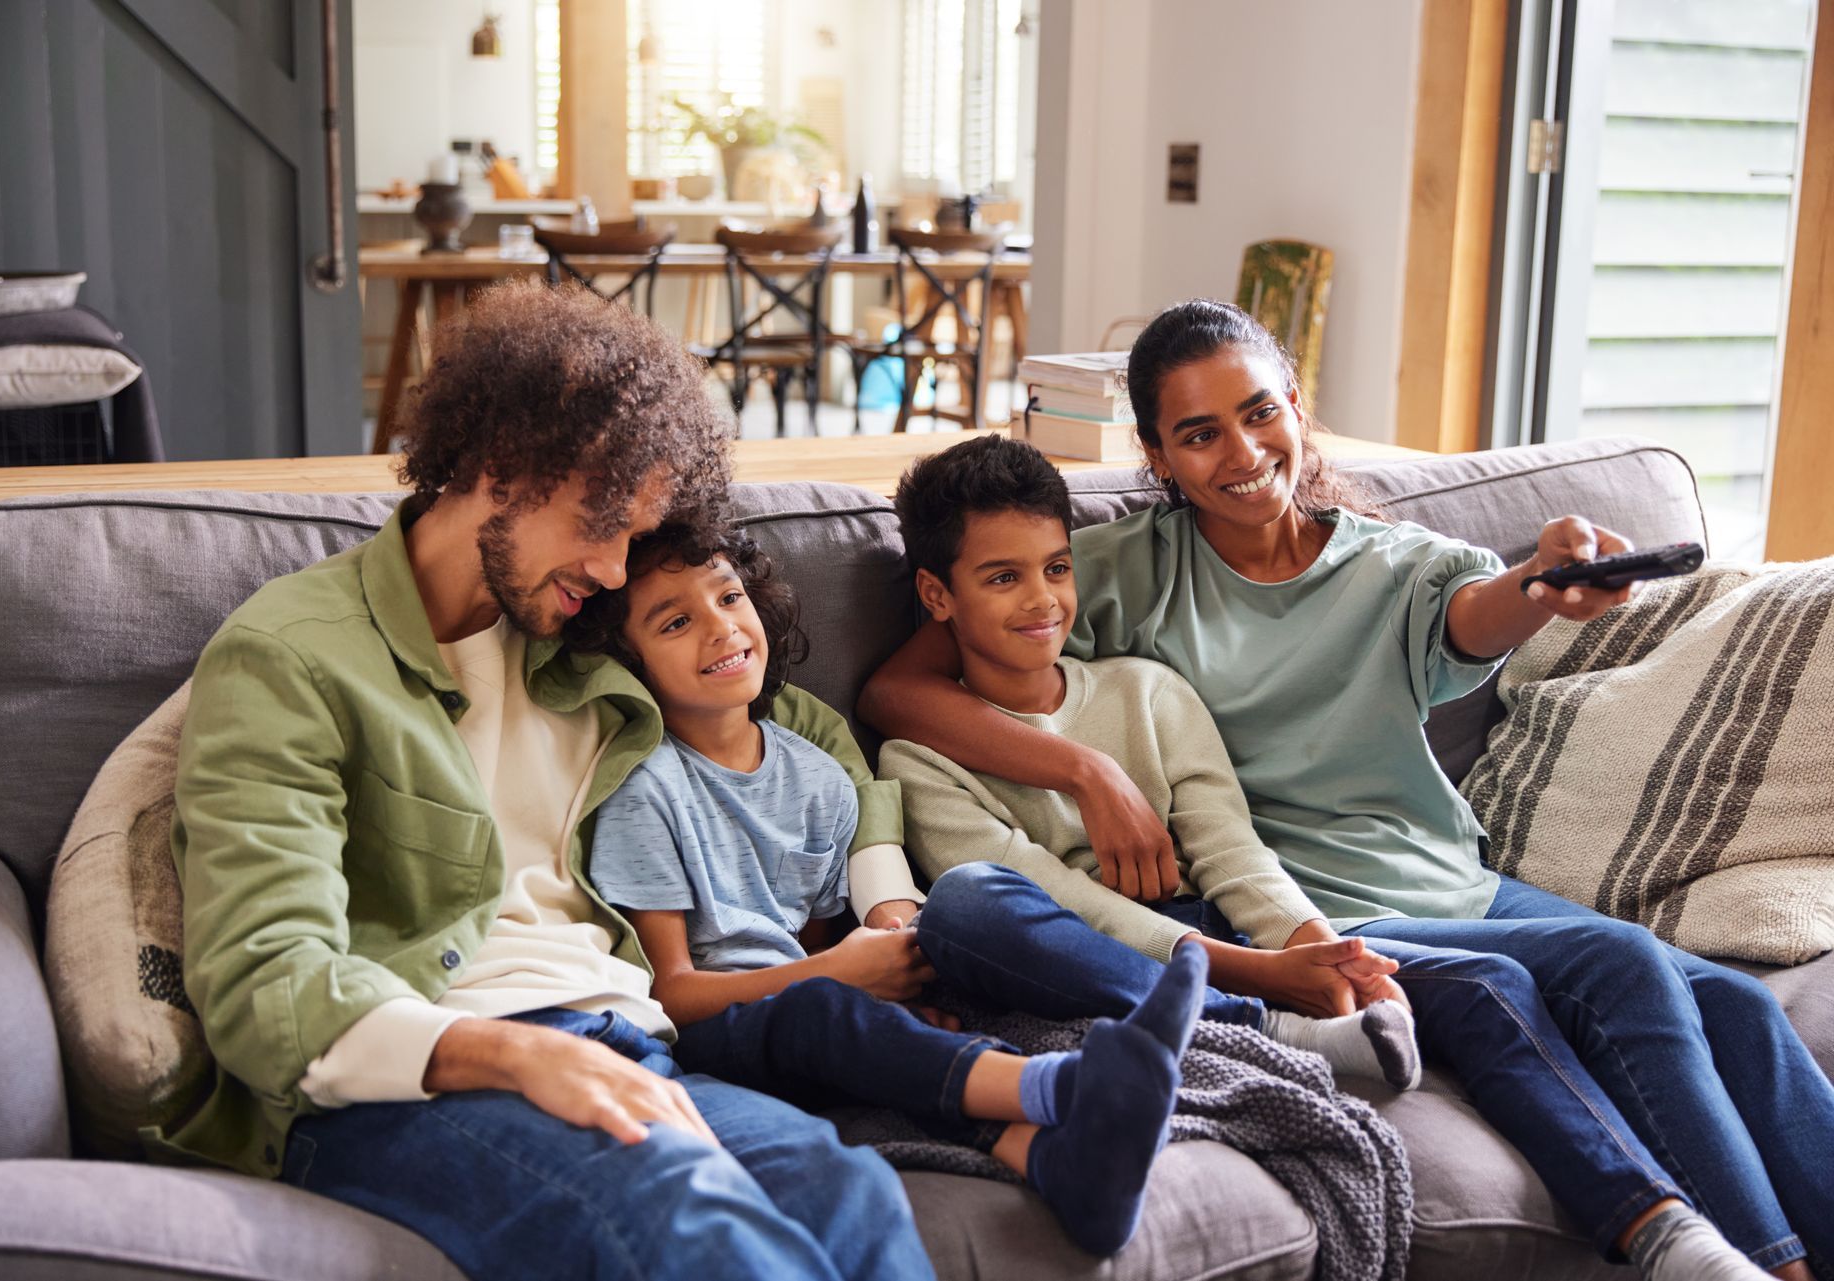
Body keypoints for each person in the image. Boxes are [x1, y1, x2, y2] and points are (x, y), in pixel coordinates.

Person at [860, 299, 1834, 1281]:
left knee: (1741, 1010)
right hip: (1305, 909)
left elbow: (1479, 614)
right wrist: (1085, 767)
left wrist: (1542, 580)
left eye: (1258, 412)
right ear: (1158, 457)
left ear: (1295, 405)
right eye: (1199, 434)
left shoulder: (1397, 564)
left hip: (1458, 886)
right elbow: (898, 688)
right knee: (1623, 963)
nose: (1241, 451)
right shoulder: (1108, 572)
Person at [163, 281, 933, 1281]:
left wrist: (885, 888)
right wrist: (518, 1054)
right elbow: (264, 977)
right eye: (601, 522)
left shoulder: (583, 655)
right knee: (687, 1219)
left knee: (850, 1190)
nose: (615, 571)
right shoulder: (291, 656)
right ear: (502, 463)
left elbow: (801, 727)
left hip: (626, 1036)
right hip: (414, 1083)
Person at [561, 522, 1208, 1258]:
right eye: (676, 622)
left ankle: (1057, 1158)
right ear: (629, 662)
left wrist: (875, 978)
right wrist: (833, 976)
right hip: (717, 1034)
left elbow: (817, 935)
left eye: (729, 596)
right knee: (822, 1011)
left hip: (815, 1010)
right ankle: (1069, 1086)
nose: (720, 628)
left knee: (939, 961)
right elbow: (671, 993)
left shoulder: (818, 777)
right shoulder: (644, 790)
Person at [875, 433, 1420, 1093]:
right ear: (937, 596)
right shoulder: (916, 759)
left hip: (1209, 927)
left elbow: (1233, 852)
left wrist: (1319, 949)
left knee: (1476, 980)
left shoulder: (1148, 690)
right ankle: (1262, 1024)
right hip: (1078, 955)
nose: (1043, 600)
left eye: (1056, 567)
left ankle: (1300, 1012)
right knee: (964, 907)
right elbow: (1058, 899)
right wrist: (1258, 975)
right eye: (1002, 578)